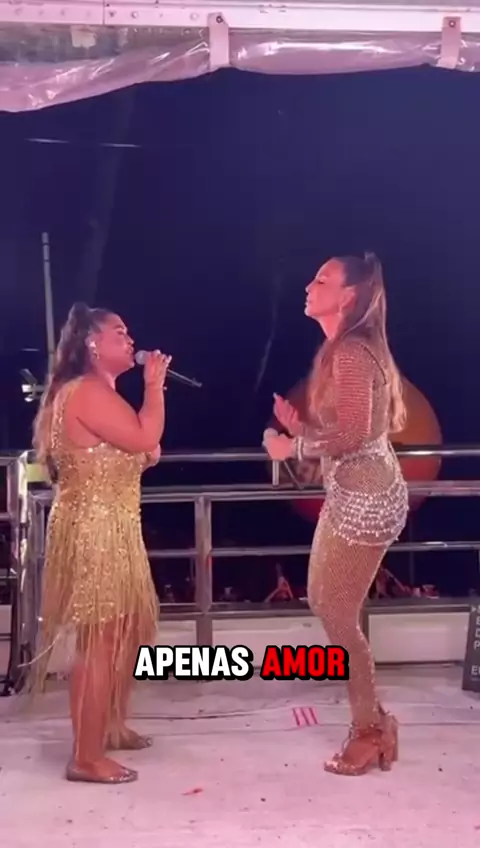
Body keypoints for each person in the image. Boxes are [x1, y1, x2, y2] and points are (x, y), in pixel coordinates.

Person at [264, 253, 408, 776]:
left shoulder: (350, 350)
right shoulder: (344, 349)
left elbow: (354, 434)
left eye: (322, 279)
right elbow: (350, 431)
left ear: (348, 295)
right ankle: (375, 724)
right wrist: (300, 428)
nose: (309, 285)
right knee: (328, 604)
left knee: (336, 612)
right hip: (353, 492)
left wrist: (292, 446)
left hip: (367, 498)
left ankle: (370, 731)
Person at [30, 302, 171, 784]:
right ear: (92, 343)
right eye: (120, 332)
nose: (130, 340)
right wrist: (153, 388)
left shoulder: (95, 393)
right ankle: (85, 756)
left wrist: (142, 448)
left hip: (114, 525)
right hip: (96, 529)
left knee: (124, 631)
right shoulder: (87, 391)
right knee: (100, 640)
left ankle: (109, 726)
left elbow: (134, 447)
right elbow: (146, 437)